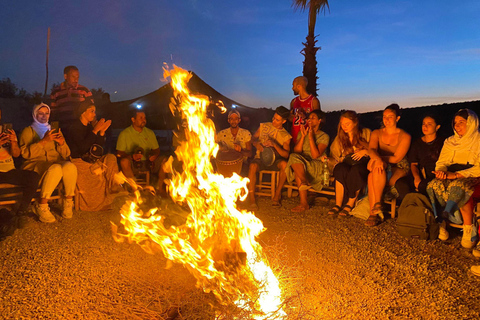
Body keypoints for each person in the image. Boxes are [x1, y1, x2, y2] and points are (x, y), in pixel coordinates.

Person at [427, 109, 480, 249]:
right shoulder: (450, 141)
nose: (457, 126)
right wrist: (441, 172)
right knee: (433, 185)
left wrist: (456, 175)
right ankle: (442, 222)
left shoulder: (478, 140)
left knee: (459, 186)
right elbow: (442, 162)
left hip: (473, 175)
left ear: (471, 123)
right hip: (451, 173)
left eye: (461, 122)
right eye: (455, 123)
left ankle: (468, 228)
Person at [19, 103, 77, 223]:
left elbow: (66, 154)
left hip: (53, 163)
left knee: (70, 166)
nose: (44, 116)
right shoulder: (28, 131)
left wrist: (61, 143)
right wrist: (44, 141)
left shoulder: (54, 130)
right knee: (55, 168)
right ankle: (42, 205)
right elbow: (25, 154)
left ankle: (68, 202)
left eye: (47, 113)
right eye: (40, 113)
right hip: (34, 164)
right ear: (35, 115)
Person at [65, 100, 120, 211]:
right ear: (83, 112)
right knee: (96, 173)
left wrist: (102, 132)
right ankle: (94, 205)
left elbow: (97, 148)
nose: (94, 114)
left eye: (94, 111)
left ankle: (114, 187)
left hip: (91, 159)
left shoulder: (89, 127)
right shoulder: (74, 127)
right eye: (91, 111)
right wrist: (95, 130)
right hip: (79, 161)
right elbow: (83, 147)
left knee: (110, 158)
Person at [365, 104, 411, 226]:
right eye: (385, 116)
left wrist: (377, 159)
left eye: (390, 116)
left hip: (398, 166)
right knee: (374, 172)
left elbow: (396, 158)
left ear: (397, 118)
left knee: (373, 174)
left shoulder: (405, 136)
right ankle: (377, 207)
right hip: (380, 164)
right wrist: (377, 159)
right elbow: (372, 149)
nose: (387, 119)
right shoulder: (376, 133)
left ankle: (374, 212)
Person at [0, 108, 40, 228]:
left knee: (33, 177)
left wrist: (13, 142)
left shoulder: (5, 131)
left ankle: (21, 211)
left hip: (10, 170)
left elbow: (16, 154)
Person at [285, 110, 329, 213]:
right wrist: (303, 136)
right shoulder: (302, 133)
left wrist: (310, 137)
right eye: (309, 118)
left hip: (316, 164)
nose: (309, 120)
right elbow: (297, 151)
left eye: (313, 118)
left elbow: (315, 155)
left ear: (319, 121)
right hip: (302, 162)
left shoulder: (324, 136)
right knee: (295, 158)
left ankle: (304, 203)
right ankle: (304, 182)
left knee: (298, 167)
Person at [248, 106, 292, 208]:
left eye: (277, 120)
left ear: (284, 121)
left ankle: (276, 197)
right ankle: (252, 199)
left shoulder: (285, 136)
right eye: (273, 118)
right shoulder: (264, 126)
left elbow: (286, 154)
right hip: (261, 158)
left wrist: (274, 144)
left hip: (275, 160)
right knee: (253, 166)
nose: (273, 121)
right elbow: (252, 139)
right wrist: (256, 144)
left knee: (285, 165)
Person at [329, 110, 371, 216]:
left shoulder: (365, 133)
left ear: (355, 123)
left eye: (347, 124)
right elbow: (335, 155)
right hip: (347, 163)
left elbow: (375, 150)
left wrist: (365, 151)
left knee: (356, 171)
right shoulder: (340, 137)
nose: (344, 127)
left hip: (363, 164)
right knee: (339, 168)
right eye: (342, 124)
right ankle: (338, 204)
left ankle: (350, 203)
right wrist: (329, 160)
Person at [395, 114, 444, 203]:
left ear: (437, 127)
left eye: (429, 124)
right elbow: (413, 164)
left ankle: (427, 209)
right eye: (423, 124)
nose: (425, 126)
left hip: (435, 174)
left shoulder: (443, 143)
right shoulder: (417, 143)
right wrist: (417, 177)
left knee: (424, 185)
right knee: (401, 184)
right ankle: (410, 206)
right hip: (420, 173)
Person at [116, 109, 167, 193]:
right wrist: (132, 157)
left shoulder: (150, 133)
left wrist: (154, 156)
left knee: (165, 160)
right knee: (124, 162)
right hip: (132, 163)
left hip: (148, 163)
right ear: (133, 120)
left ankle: (159, 188)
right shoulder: (124, 134)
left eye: (144, 118)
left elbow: (157, 150)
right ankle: (136, 189)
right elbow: (119, 153)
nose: (144, 120)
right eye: (141, 118)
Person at [216, 109, 252, 175]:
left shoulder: (246, 133)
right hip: (224, 164)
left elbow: (250, 154)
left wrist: (240, 151)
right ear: (228, 120)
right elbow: (214, 149)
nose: (234, 121)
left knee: (243, 172)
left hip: (242, 164)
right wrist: (221, 149)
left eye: (236, 119)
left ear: (239, 120)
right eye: (231, 119)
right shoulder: (221, 134)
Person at [289, 76, 320, 144]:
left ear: (299, 86)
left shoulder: (313, 101)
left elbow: (319, 120)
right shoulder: (294, 101)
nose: (292, 88)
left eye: (293, 86)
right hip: (295, 137)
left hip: (308, 138)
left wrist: (306, 116)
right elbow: (291, 119)